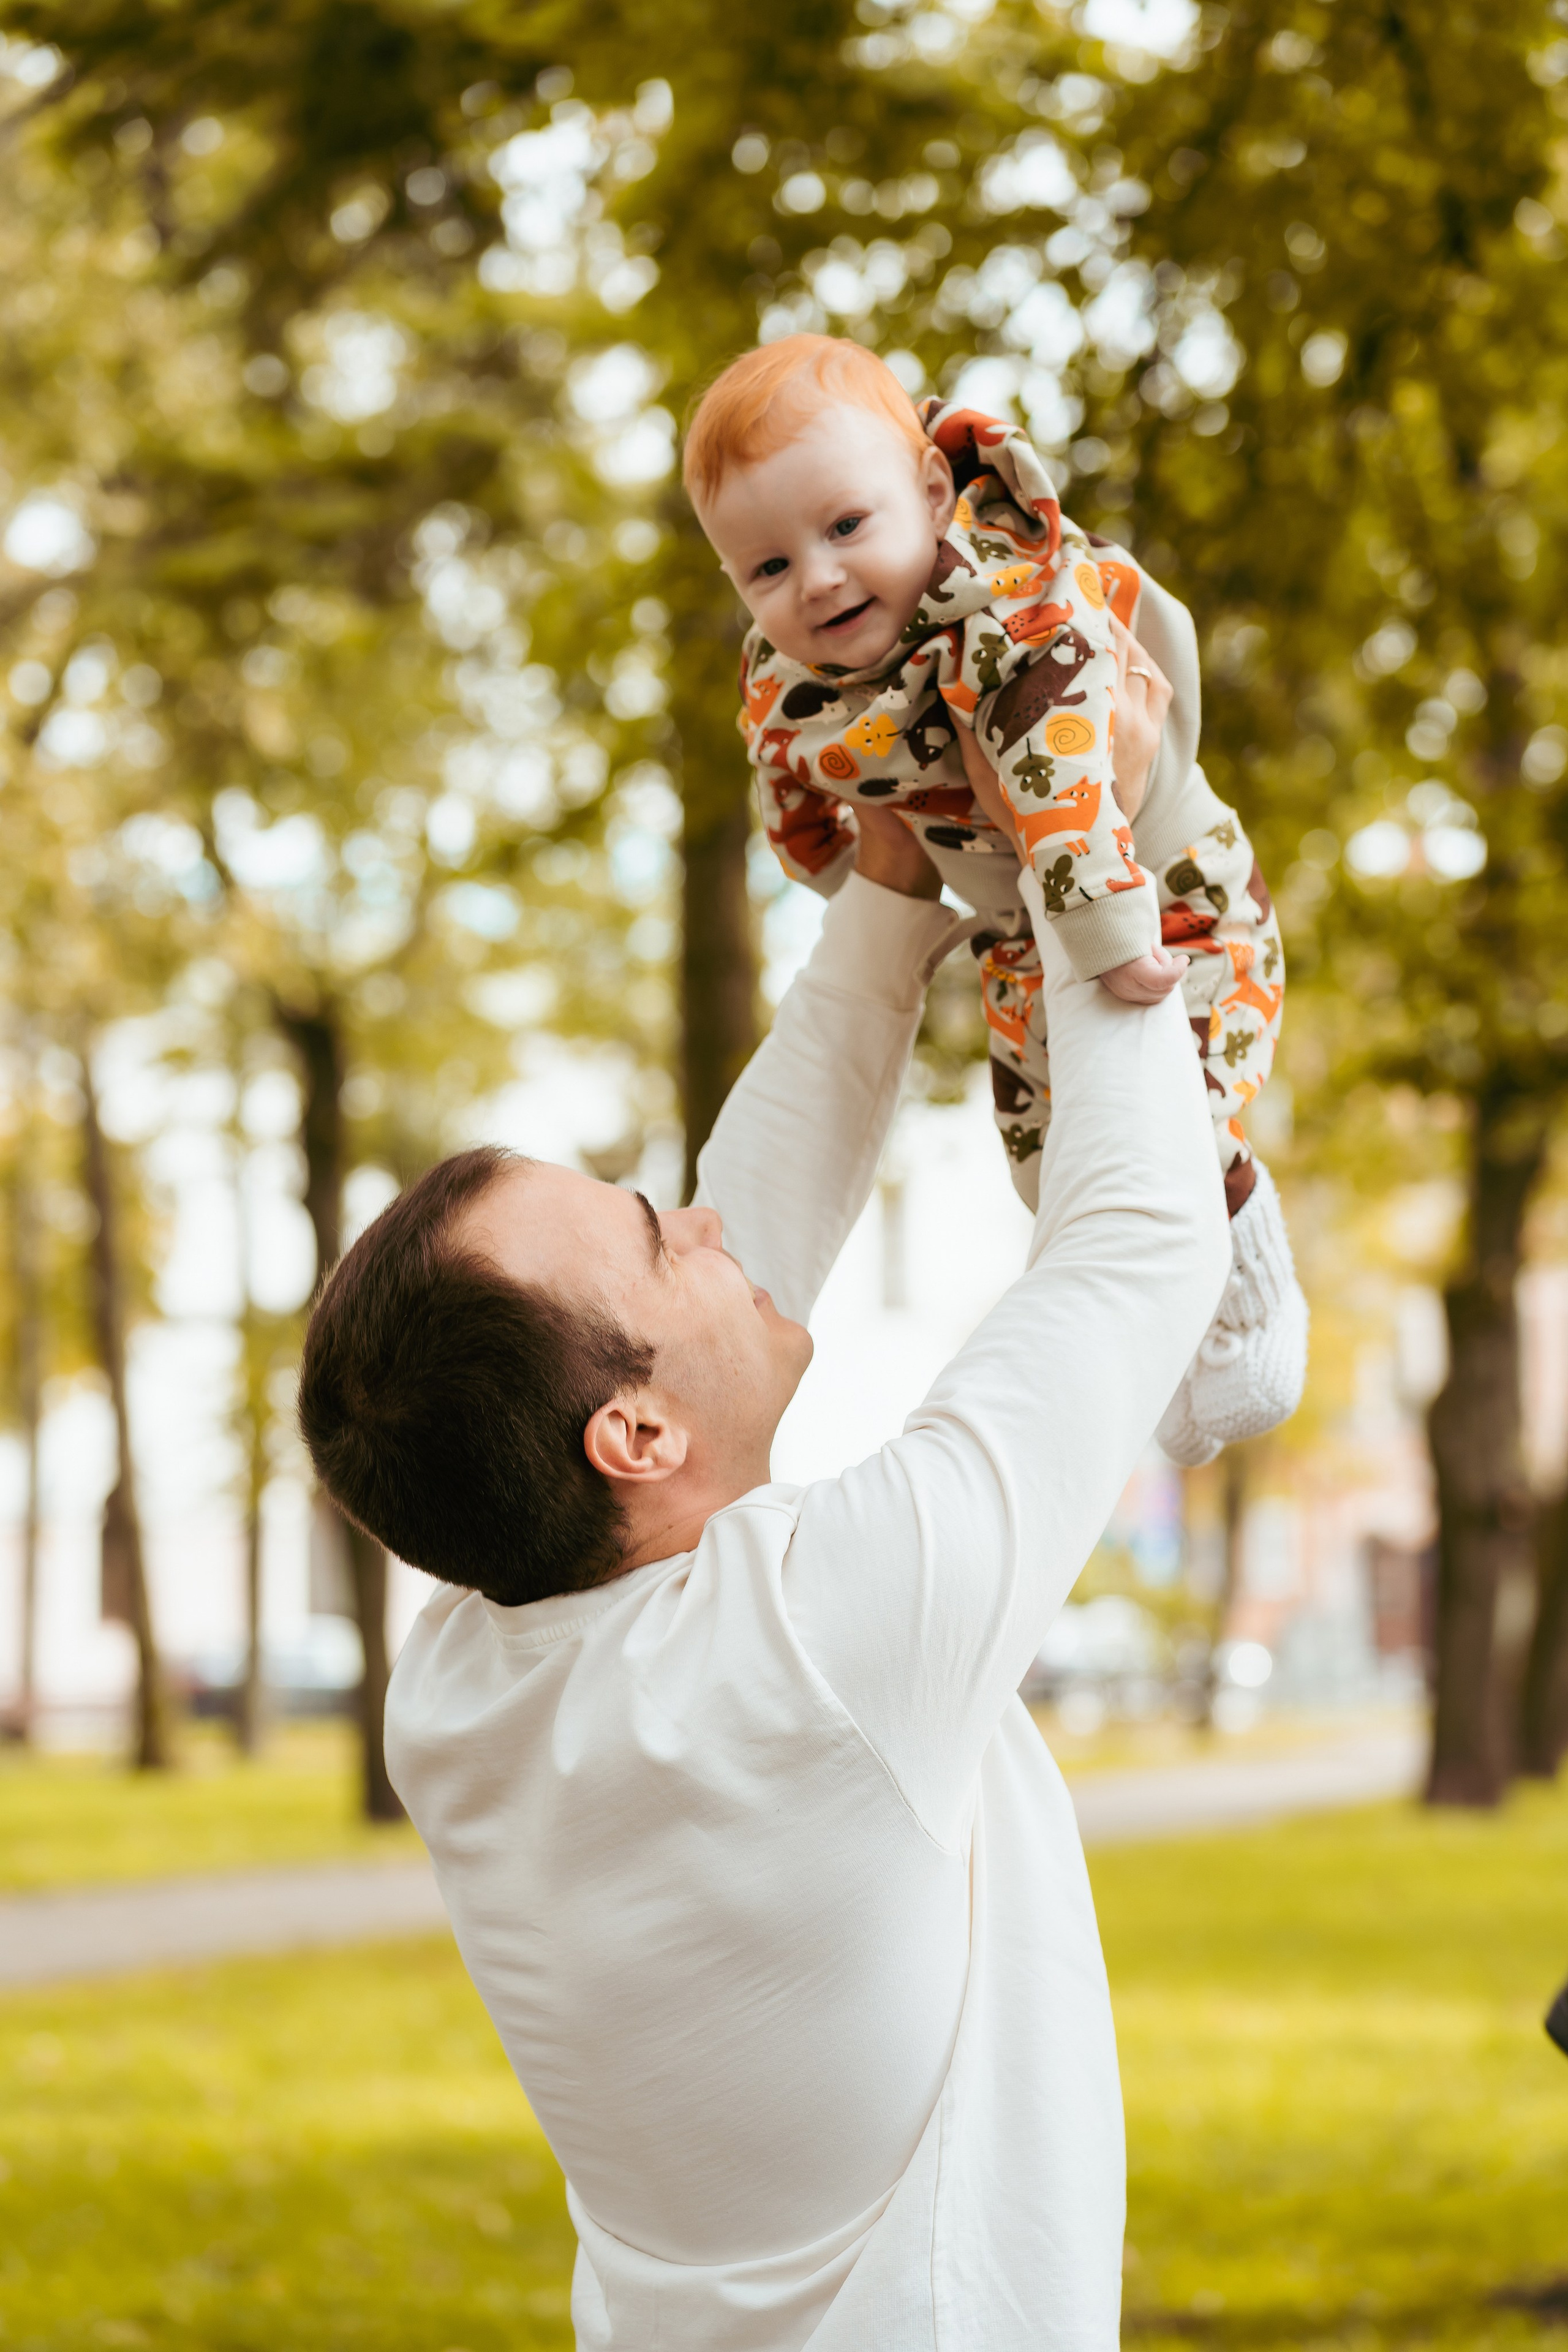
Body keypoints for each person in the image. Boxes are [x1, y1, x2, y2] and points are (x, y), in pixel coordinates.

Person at [297, 667, 1232, 2350]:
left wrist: (889, 901)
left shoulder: (468, 1678)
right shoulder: (821, 1639)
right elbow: (1141, 1247)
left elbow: (737, 1246)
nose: (712, 1230)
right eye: (665, 1238)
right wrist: (1094, 852)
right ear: (637, 1437)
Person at [685, 334, 1306, 1460]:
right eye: (765, 568)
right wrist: (828, 860)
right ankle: (1162, 1341)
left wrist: (1112, 935)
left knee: (1179, 1113)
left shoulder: (1012, 613)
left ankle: (1251, 1280)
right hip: (1019, 933)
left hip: (1155, 889)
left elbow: (1064, 781)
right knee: (1047, 1162)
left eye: (845, 528)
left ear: (930, 494)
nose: (815, 578)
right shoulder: (791, 679)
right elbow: (788, 762)